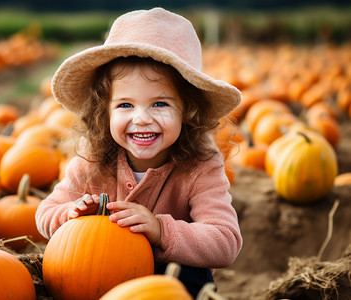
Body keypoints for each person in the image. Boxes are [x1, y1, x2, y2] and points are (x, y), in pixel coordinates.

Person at [36, 7, 242, 297]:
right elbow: (44, 214)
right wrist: (69, 215)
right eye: (125, 105)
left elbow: (225, 241)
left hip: (165, 282)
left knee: (190, 274)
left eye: (160, 104)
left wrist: (161, 230)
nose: (142, 118)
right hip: (98, 273)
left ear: (188, 110)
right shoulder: (92, 157)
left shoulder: (200, 164)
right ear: (103, 111)